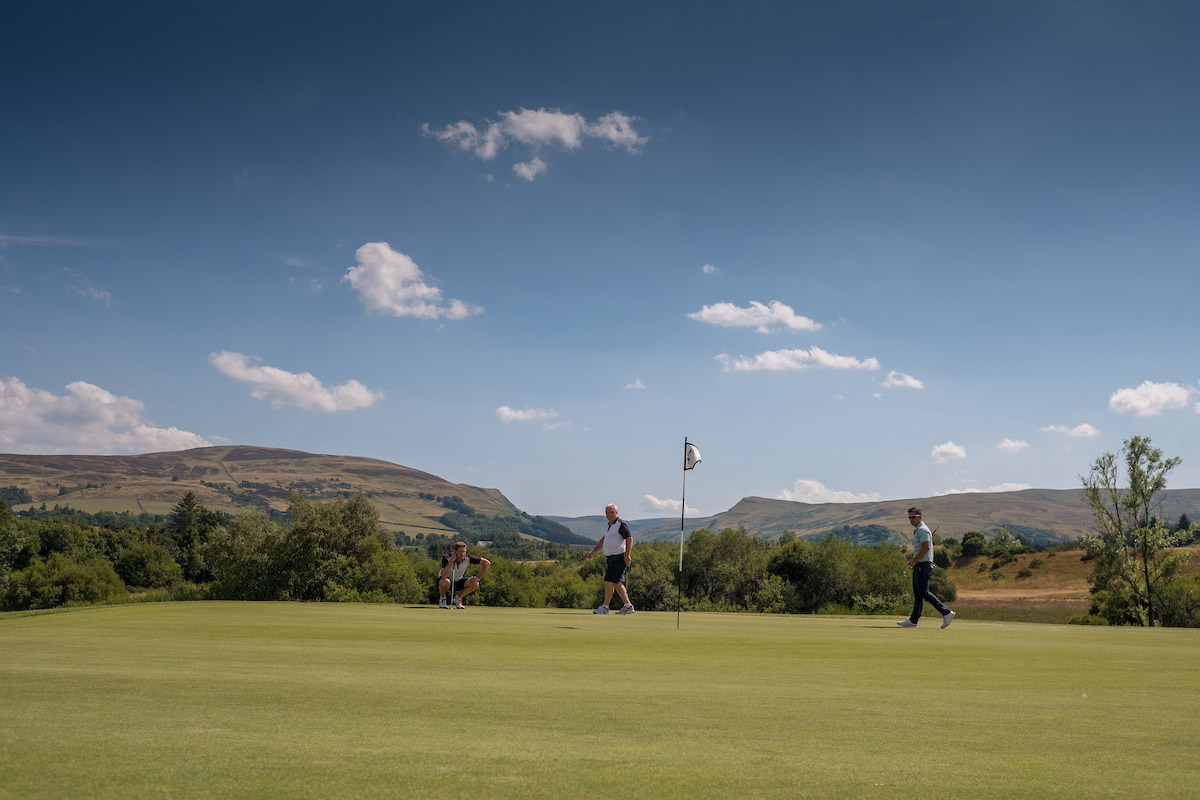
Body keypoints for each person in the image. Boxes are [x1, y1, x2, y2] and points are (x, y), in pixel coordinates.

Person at [898, 507, 955, 629]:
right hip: (920, 564)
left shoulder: (922, 530)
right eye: (909, 517)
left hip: (924, 565)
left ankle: (946, 612)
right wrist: (914, 561)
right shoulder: (919, 530)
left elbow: (926, 548)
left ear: (920, 517)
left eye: (913, 517)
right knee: (918, 594)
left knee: (923, 592)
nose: (911, 520)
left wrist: (914, 559)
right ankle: (913, 620)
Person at [586, 503, 635, 615]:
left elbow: (629, 538)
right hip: (611, 558)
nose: (609, 515)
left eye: (611, 512)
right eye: (607, 513)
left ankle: (606, 607)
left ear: (616, 513)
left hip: (618, 557)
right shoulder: (608, 526)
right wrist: (593, 551)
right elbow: (604, 540)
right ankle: (627, 605)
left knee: (610, 581)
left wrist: (627, 555)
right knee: (616, 582)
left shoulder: (620, 524)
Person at [439, 541, 489, 609]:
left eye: (464, 551)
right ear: (455, 551)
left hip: (459, 580)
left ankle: (458, 598)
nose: (462, 554)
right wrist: (451, 561)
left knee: (475, 583)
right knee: (445, 581)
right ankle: (443, 599)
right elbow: (444, 575)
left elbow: (487, 563)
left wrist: (478, 578)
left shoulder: (468, 558)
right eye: (460, 551)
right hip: (446, 581)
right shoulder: (446, 558)